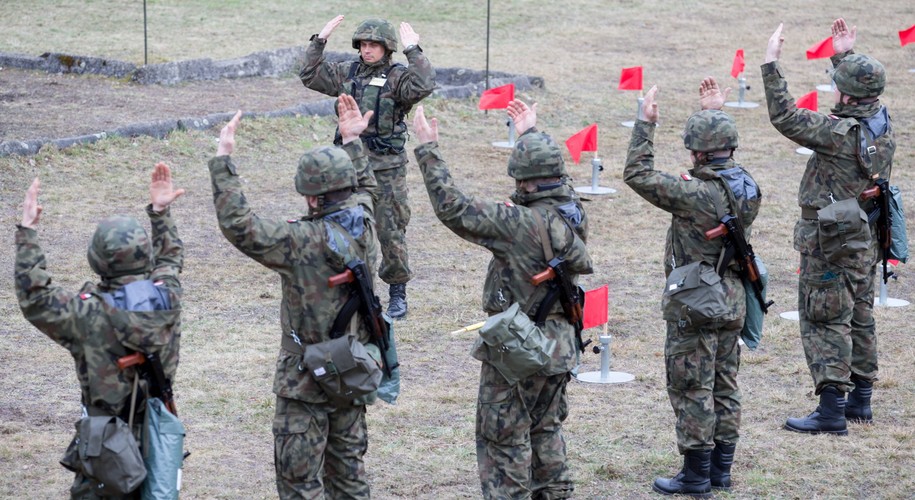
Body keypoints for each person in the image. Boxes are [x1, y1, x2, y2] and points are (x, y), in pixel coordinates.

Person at [412, 100, 592, 499]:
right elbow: (553, 177)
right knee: (546, 429)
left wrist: (427, 148)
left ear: (524, 181)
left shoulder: (518, 223)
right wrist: (531, 134)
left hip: (519, 349)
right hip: (561, 345)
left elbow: (453, 208)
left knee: (503, 439)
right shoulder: (574, 211)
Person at [208, 95, 385, 498]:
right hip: (352, 368)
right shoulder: (366, 224)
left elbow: (241, 227)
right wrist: (353, 142)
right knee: (349, 477)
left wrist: (224, 160)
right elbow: (368, 187)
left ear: (311, 197)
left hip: (305, 377)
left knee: (299, 484)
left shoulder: (301, 240)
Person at [624, 80, 761, 496]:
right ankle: (720, 470)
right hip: (733, 296)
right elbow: (725, 167)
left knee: (691, 387)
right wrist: (715, 113)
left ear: (698, 152)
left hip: (697, 301)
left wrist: (645, 125)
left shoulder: (694, 193)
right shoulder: (748, 185)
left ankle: (696, 474)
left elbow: (637, 174)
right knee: (725, 384)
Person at [15, 163, 185, 498]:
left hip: (105, 445)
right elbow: (170, 260)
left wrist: (27, 231)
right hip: (155, 436)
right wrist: (161, 213)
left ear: (98, 260)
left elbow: (36, 296)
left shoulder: (86, 313)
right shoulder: (168, 297)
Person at [763, 19, 894, 434]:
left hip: (831, 242)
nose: (832, 89)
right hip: (864, 239)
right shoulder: (881, 122)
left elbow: (784, 115)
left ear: (848, 94)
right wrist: (844, 55)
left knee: (824, 318)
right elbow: (858, 92)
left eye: (837, 82)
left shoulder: (836, 134)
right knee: (859, 314)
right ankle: (861, 400)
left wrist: (771, 63)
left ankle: (831, 410)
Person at [299, 14, 436, 319]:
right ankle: (350, 289)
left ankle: (397, 292)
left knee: (390, 229)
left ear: (387, 47)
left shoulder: (398, 77)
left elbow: (425, 83)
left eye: (374, 44)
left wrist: (413, 50)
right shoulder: (347, 73)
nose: (367, 49)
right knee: (344, 229)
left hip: (385, 167)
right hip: (348, 167)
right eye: (363, 43)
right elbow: (309, 74)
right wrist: (319, 41)